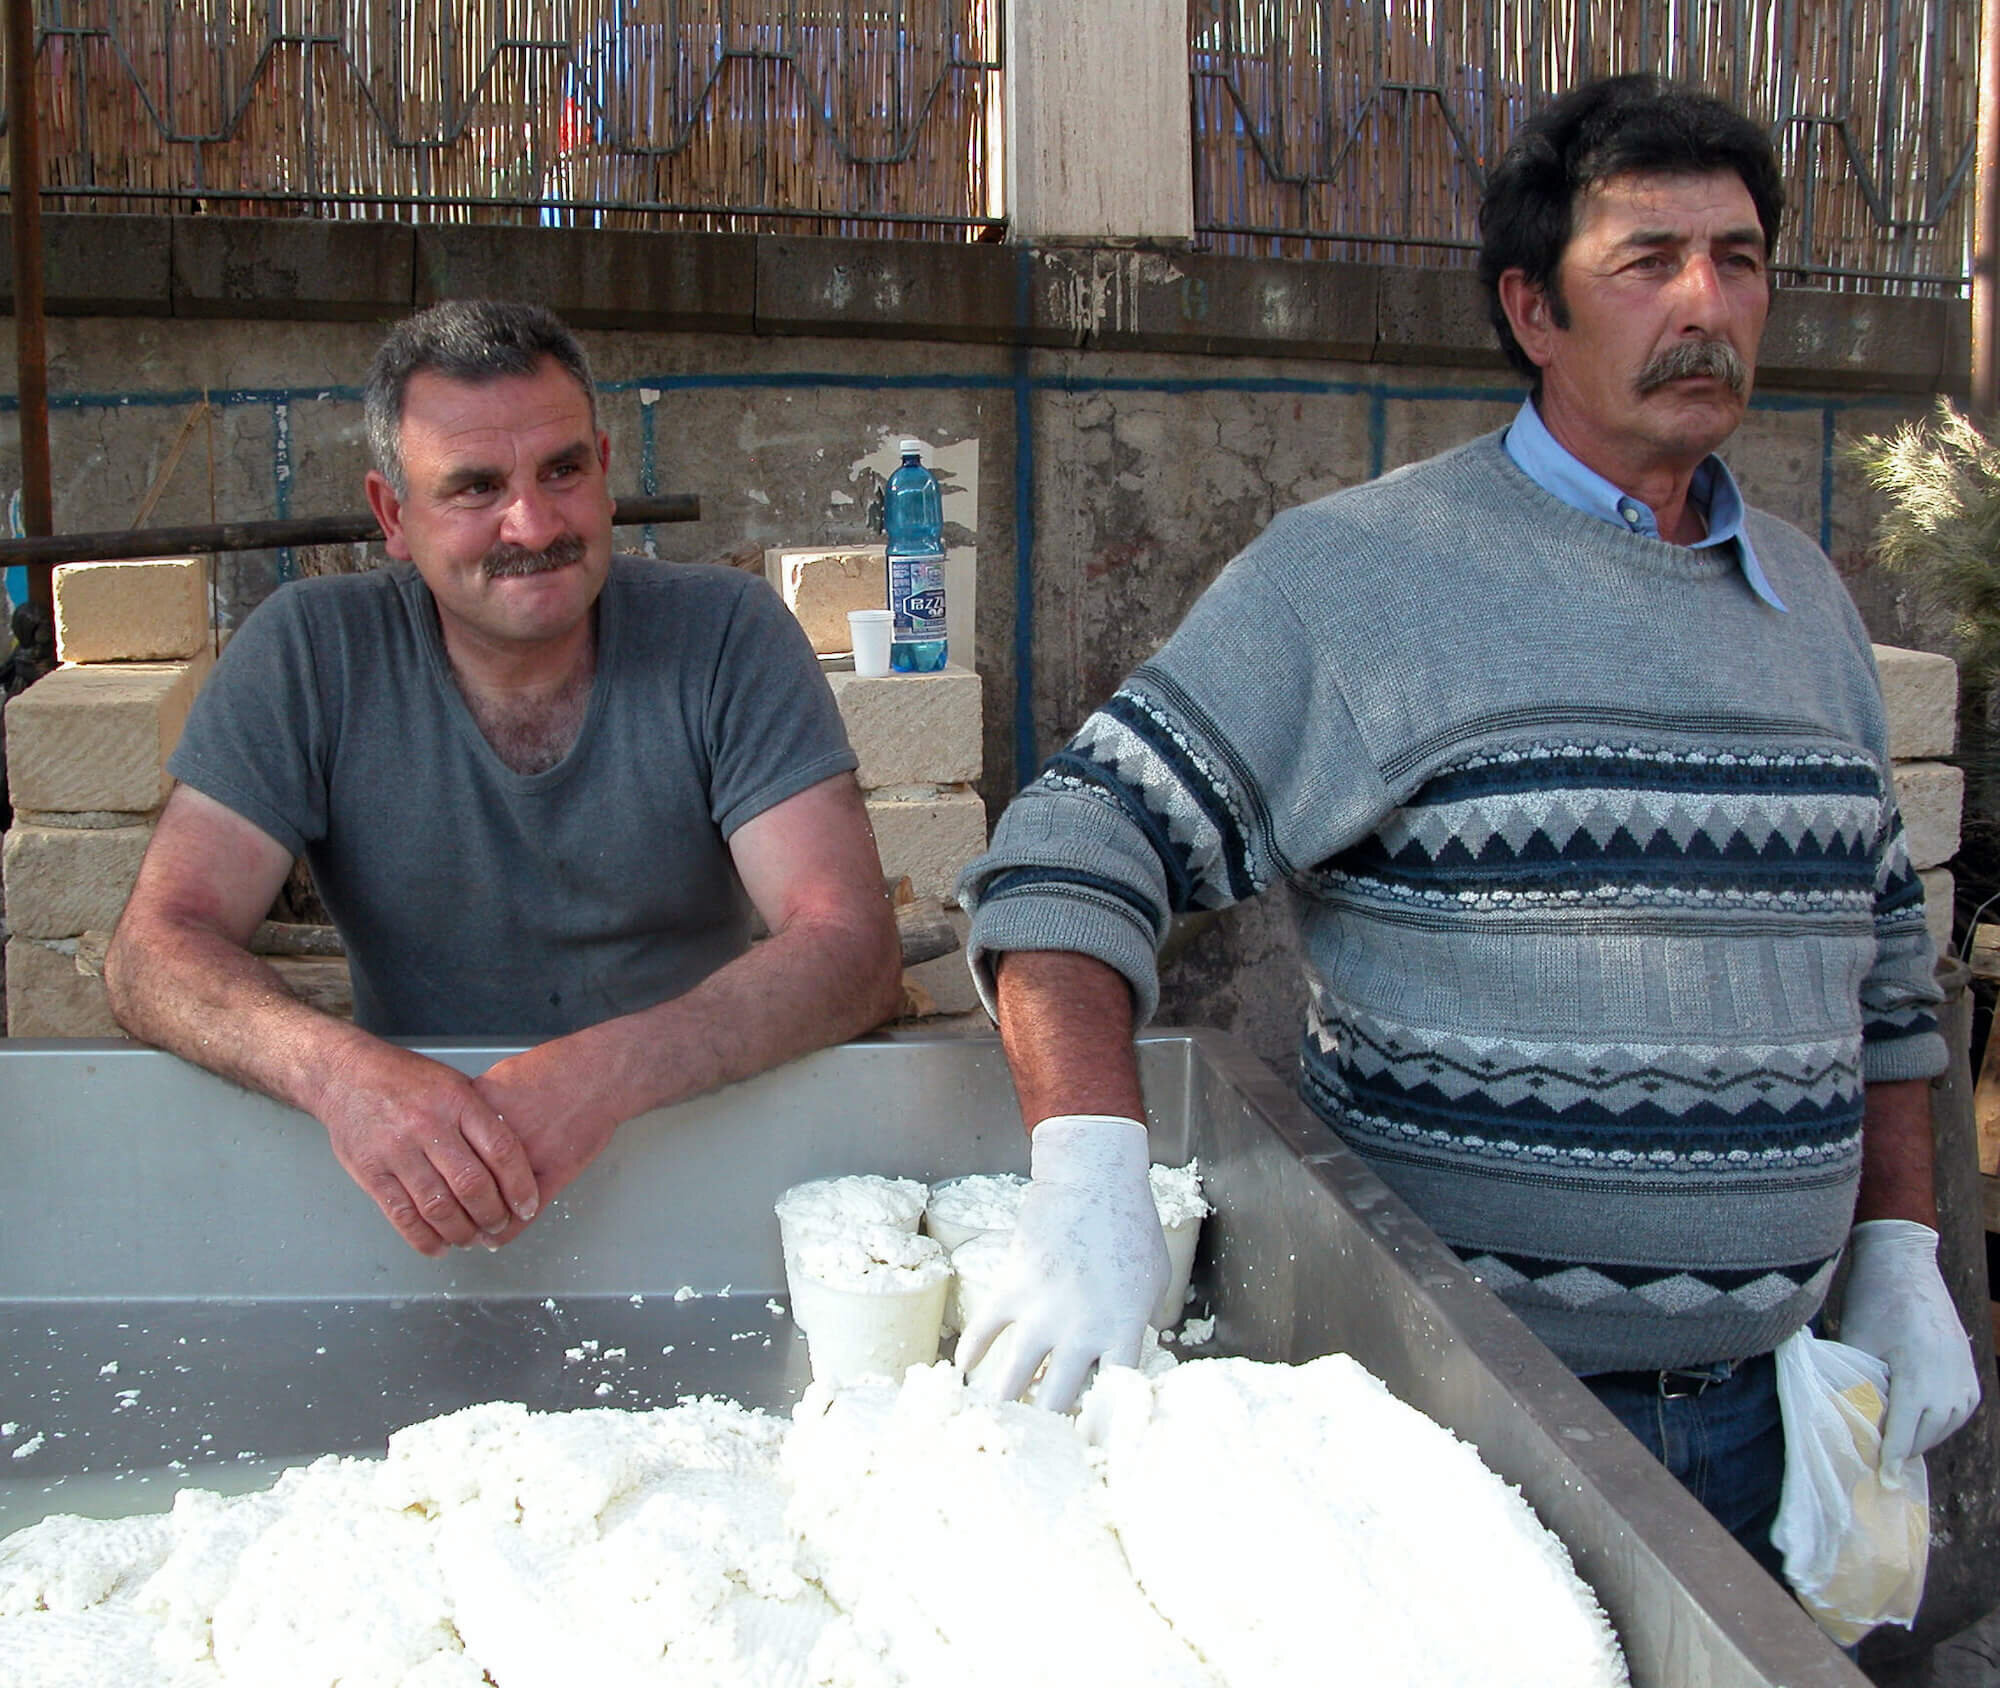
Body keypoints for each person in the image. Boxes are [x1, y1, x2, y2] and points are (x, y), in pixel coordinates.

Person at [954, 75, 1981, 1570]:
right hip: (1460, 1436)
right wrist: (1089, 1173)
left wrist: (1898, 1252)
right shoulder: (1369, 581)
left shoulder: (1805, 605)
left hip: (1767, 1425)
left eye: (1740, 259)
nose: (1706, 302)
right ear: (1533, 309)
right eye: (1647, 261)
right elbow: (1067, 853)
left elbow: (1886, 980)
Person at [106, 300, 903, 1259]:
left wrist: (602, 1077)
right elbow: (153, 953)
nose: (532, 523)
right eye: (476, 488)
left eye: (562, 470)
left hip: (703, 1148)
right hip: (423, 1191)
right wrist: (343, 1078)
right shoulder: (312, 653)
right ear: (393, 516)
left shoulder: (725, 634)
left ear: (605, 469)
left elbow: (852, 950)